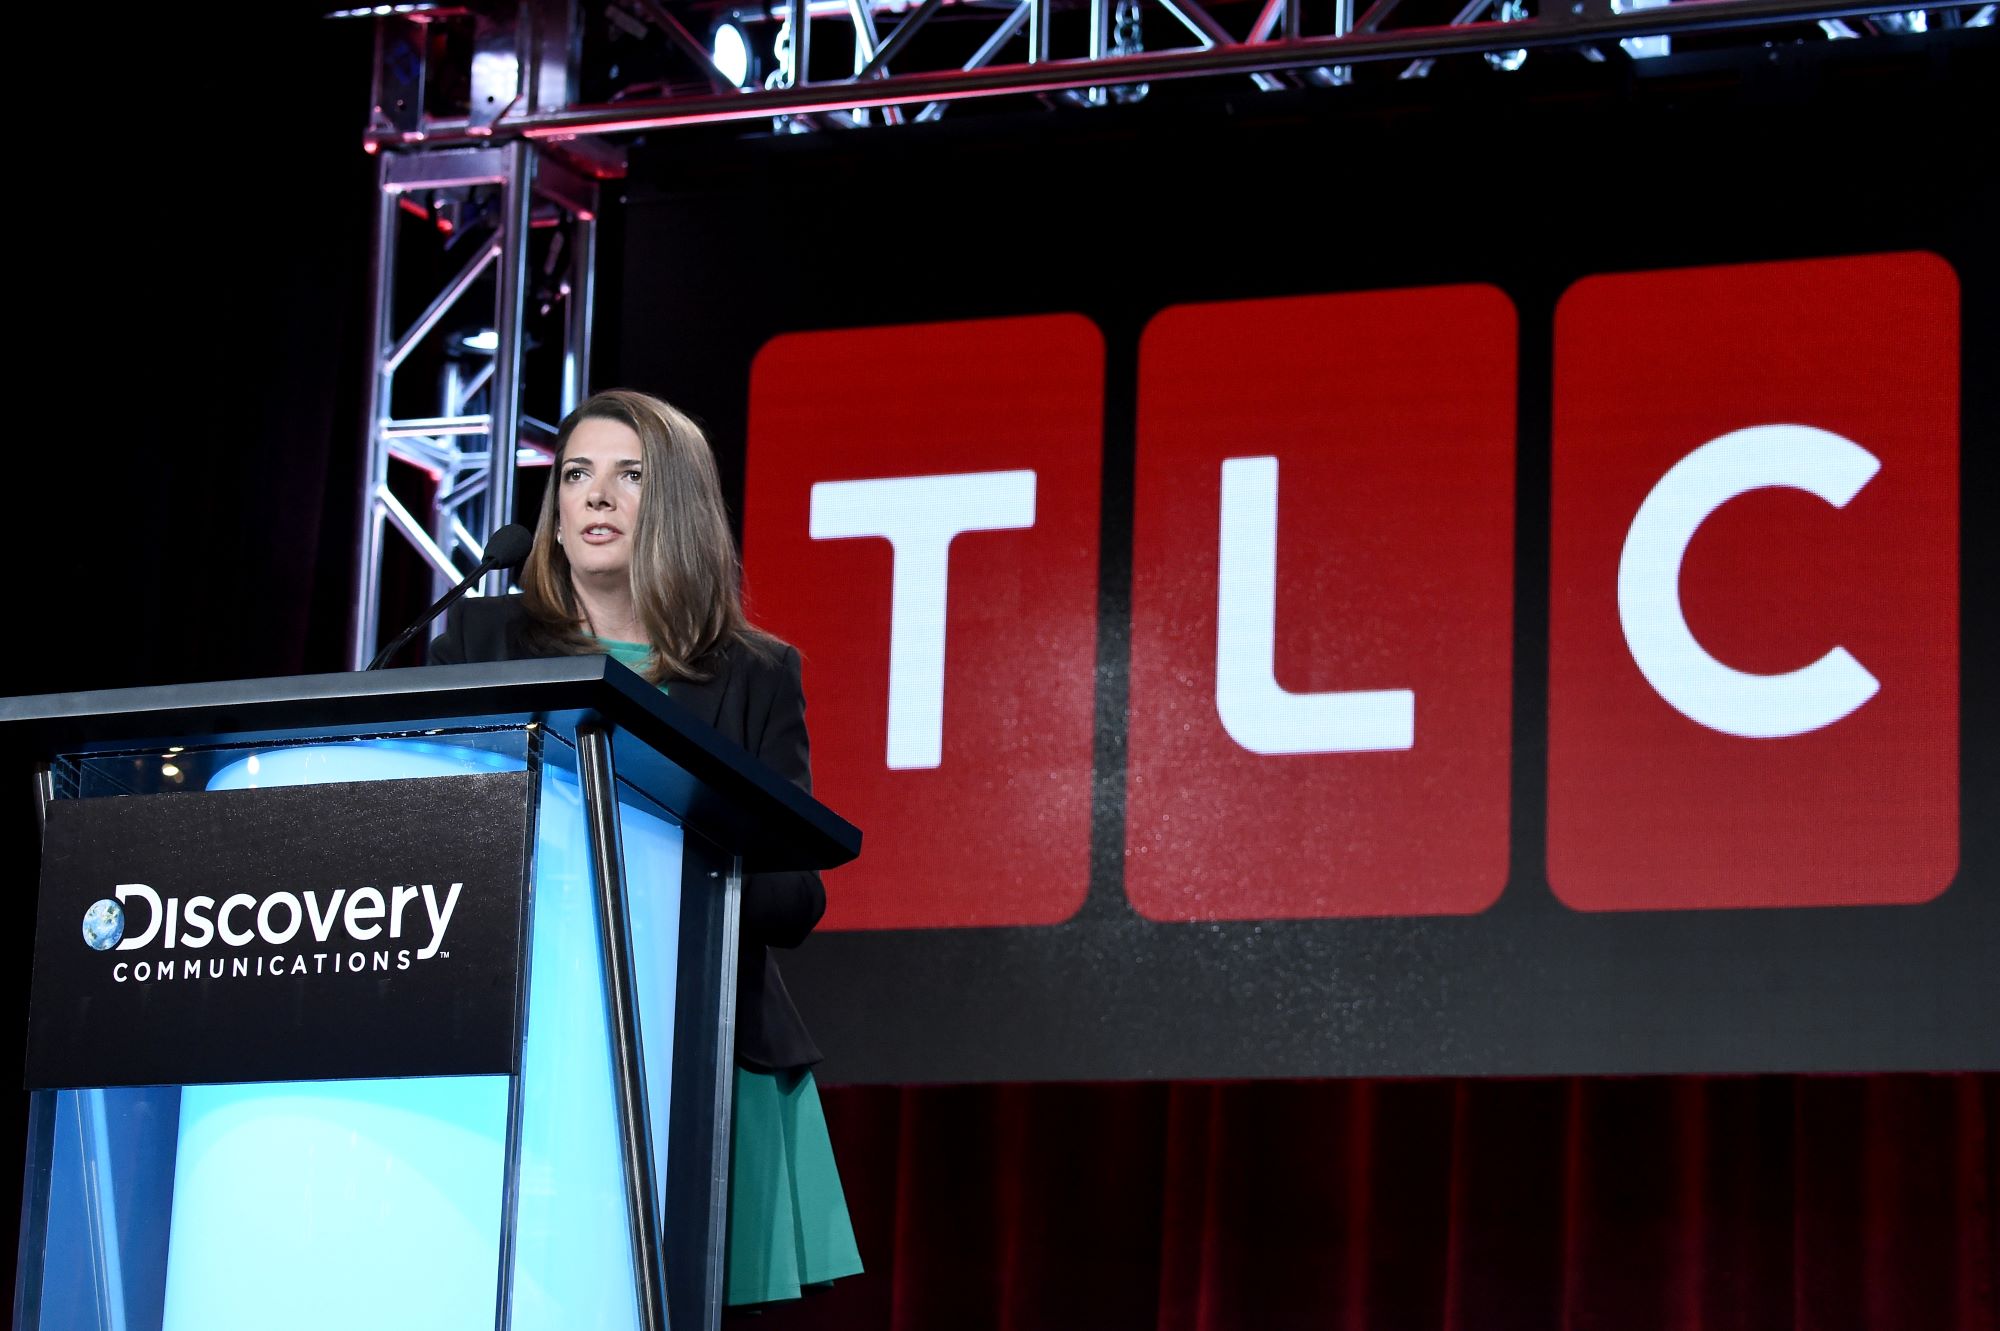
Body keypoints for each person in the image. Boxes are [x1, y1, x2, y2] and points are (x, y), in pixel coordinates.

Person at [428, 388, 863, 1309]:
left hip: (697, 1042)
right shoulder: (482, 640)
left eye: (629, 476)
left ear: (678, 506)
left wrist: (685, 838)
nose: (594, 497)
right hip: (514, 1027)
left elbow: (795, 899)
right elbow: (431, 821)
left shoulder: (753, 672)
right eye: (576, 475)